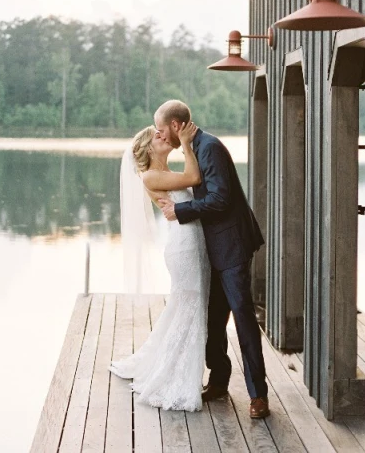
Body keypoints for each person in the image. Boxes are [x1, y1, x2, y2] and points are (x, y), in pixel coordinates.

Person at [155, 99, 270, 420]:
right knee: (210, 318)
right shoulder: (197, 147)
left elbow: (220, 198)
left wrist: (179, 211)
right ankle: (219, 380)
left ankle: (258, 396)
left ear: (176, 126)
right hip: (210, 249)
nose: (161, 136)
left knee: (243, 318)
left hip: (231, 246)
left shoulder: (210, 148)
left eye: (162, 130)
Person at [109, 121, 211, 412]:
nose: (164, 136)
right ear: (147, 147)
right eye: (157, 135)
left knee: (185, 308)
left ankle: (171, 367)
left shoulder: (164, 172)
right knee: (189, 309)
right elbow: (194, 176)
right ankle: (175, 379)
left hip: (193, 243)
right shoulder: (151, 176)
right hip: (184, 246)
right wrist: (188, 145)